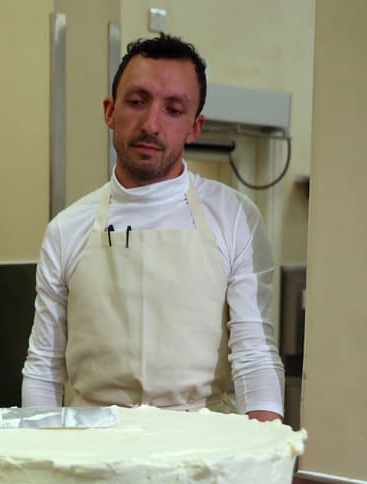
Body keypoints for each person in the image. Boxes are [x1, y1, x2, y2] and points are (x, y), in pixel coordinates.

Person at [21, 34, 285, 423]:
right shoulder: (66, 229)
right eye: (137, 102)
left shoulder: (235, 217)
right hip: (93, 442)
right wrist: (40, 447)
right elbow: (44, 365)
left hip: (200, 441)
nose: (151, 124)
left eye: (173, 110)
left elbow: (254, 355)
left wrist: (269, 448)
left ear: (194, 127)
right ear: (110, 111)